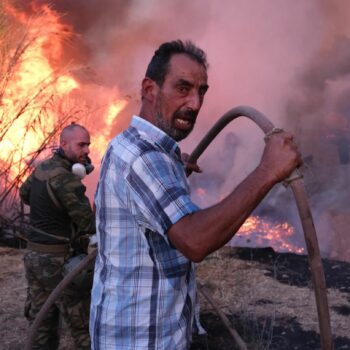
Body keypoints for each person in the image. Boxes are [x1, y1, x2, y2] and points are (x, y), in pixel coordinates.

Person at [90, 40, 302, 350]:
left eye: (201, 91)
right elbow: (195, 241)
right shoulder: (144, 158)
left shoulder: (128, 145)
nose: (195, 103)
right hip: (141, 340)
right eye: (183, 88)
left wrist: (172, 171)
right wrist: (267, 171)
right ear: (150, 89)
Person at [20, 123, 96, 350]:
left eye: (88, 145)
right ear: (64, 144)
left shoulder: (42, 169)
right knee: (82, 326)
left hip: (34, 258)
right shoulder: (66, 180)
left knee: (42, 323)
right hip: (59, 262)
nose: (87, 151)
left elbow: (25, 194)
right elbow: (88, 224)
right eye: (81, 144)